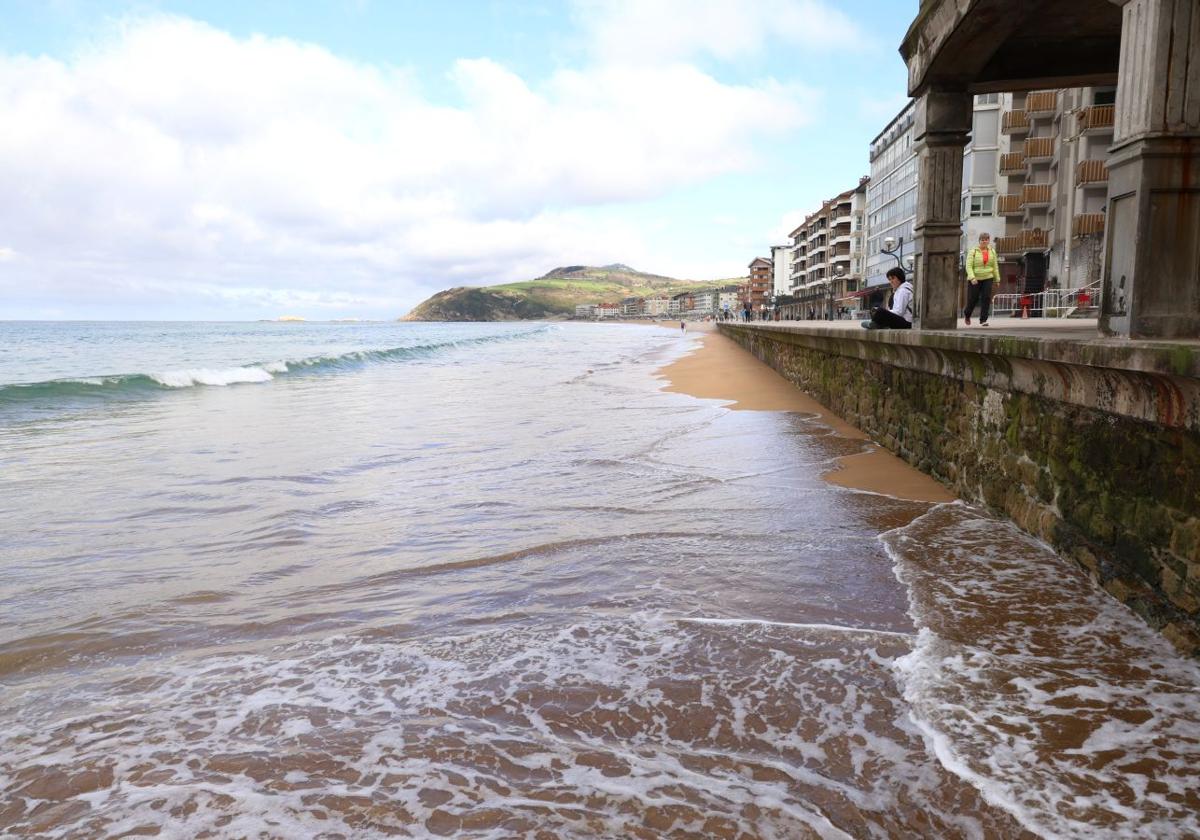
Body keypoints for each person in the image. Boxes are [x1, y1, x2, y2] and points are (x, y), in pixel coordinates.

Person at [964, 231, 1000, 326]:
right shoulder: (973, 251)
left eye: (986, 239)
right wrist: (972, 278)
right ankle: (967, 314)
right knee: (973, 298)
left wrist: (997, 279)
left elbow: (995, 266)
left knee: (986, 298)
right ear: (979, 241)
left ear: (988, 241)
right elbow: (968, 266)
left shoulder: (992, 251)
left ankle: (983, 319)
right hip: (975, 278)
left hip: (988, 277)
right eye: (982, 240)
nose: (984, 241)